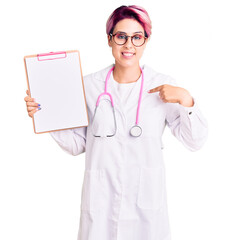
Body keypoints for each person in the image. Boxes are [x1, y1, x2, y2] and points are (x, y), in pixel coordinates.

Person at [24, 5, 208, 240]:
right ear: (109, 40)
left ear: (146, 41)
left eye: (137, 37)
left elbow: (196, 141)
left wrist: (186, 99)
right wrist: (45, 115)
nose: (129, 45)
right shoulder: (87, 86)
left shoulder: (163, 86)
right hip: (100, 209)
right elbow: (76, 145)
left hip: (147, 213)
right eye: (121, 36)